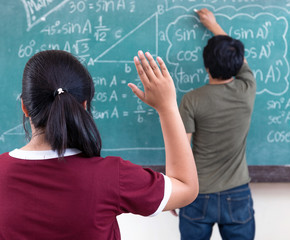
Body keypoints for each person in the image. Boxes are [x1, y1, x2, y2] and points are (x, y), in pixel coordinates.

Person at [0, 50, 198, 239]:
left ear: (25, 107)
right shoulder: (111, 175)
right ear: (85, 105)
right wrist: (167, 108)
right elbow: (186, 188)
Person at [177, 9, 256, 240]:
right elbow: (241, 61)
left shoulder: (191, 99)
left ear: (206, 66)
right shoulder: (247, 89)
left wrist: (174, 188)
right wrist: (214, 25)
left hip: (197, 193)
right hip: (237, 192)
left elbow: (182, 149)